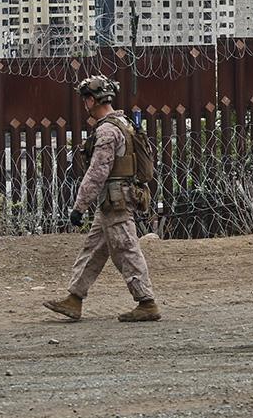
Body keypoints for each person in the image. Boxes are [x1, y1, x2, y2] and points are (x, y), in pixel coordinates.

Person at [43, 76, 161, 321]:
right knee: (94, 248)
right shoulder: (124, 122)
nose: (84, 104)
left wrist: (79, 206)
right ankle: (74, 298)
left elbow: (98, 171)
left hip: (115, 199)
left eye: (85, 99)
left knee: (126, 249)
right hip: (115, 199)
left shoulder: (107, 130)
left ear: (90, 100)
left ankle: (146, 302)